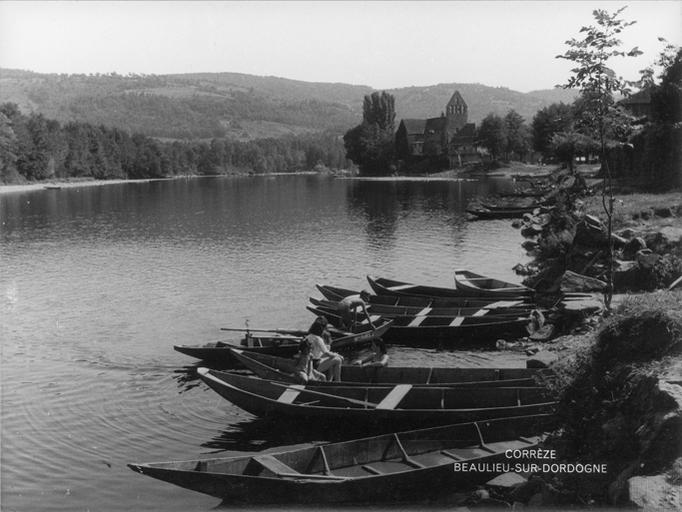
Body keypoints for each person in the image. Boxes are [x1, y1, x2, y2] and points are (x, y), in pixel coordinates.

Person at [306, 316, 343, 381]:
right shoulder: (318, 339)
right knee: (338, 360)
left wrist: (333, 355)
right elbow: (326, 352)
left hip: (309, 363)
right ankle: (338, 381)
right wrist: (337, 355)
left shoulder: (308, 337)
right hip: (315, 365)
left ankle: (330, 380)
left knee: (331, 359)